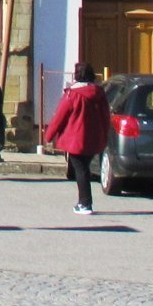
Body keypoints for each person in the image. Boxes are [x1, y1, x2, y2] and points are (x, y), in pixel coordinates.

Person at [43, 62, 110, 215]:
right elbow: (106, 117)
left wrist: (48, 135)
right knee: (84, 168)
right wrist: (104, 134)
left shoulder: (72, 94)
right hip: (94, 138)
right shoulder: (99, 93)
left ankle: (85, 203)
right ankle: (84, 202)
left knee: (81, 170)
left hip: (75, 139)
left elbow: (60, 116)